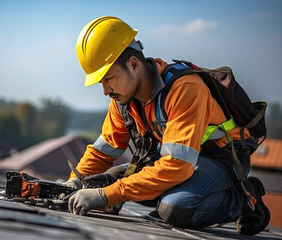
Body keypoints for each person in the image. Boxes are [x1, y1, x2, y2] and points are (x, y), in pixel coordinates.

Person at [64, 16, 270, 235]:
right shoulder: (123, 100)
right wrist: (75, 181)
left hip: (221, 159)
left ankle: (244, 196)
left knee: (174, 209)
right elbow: (103, 151)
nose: (105, 91)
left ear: (133, 65)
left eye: (109, 78)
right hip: (180, 162)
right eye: (101, 82)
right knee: (102, 181)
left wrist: (109, 195)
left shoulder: (185, 89)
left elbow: (177, 166)